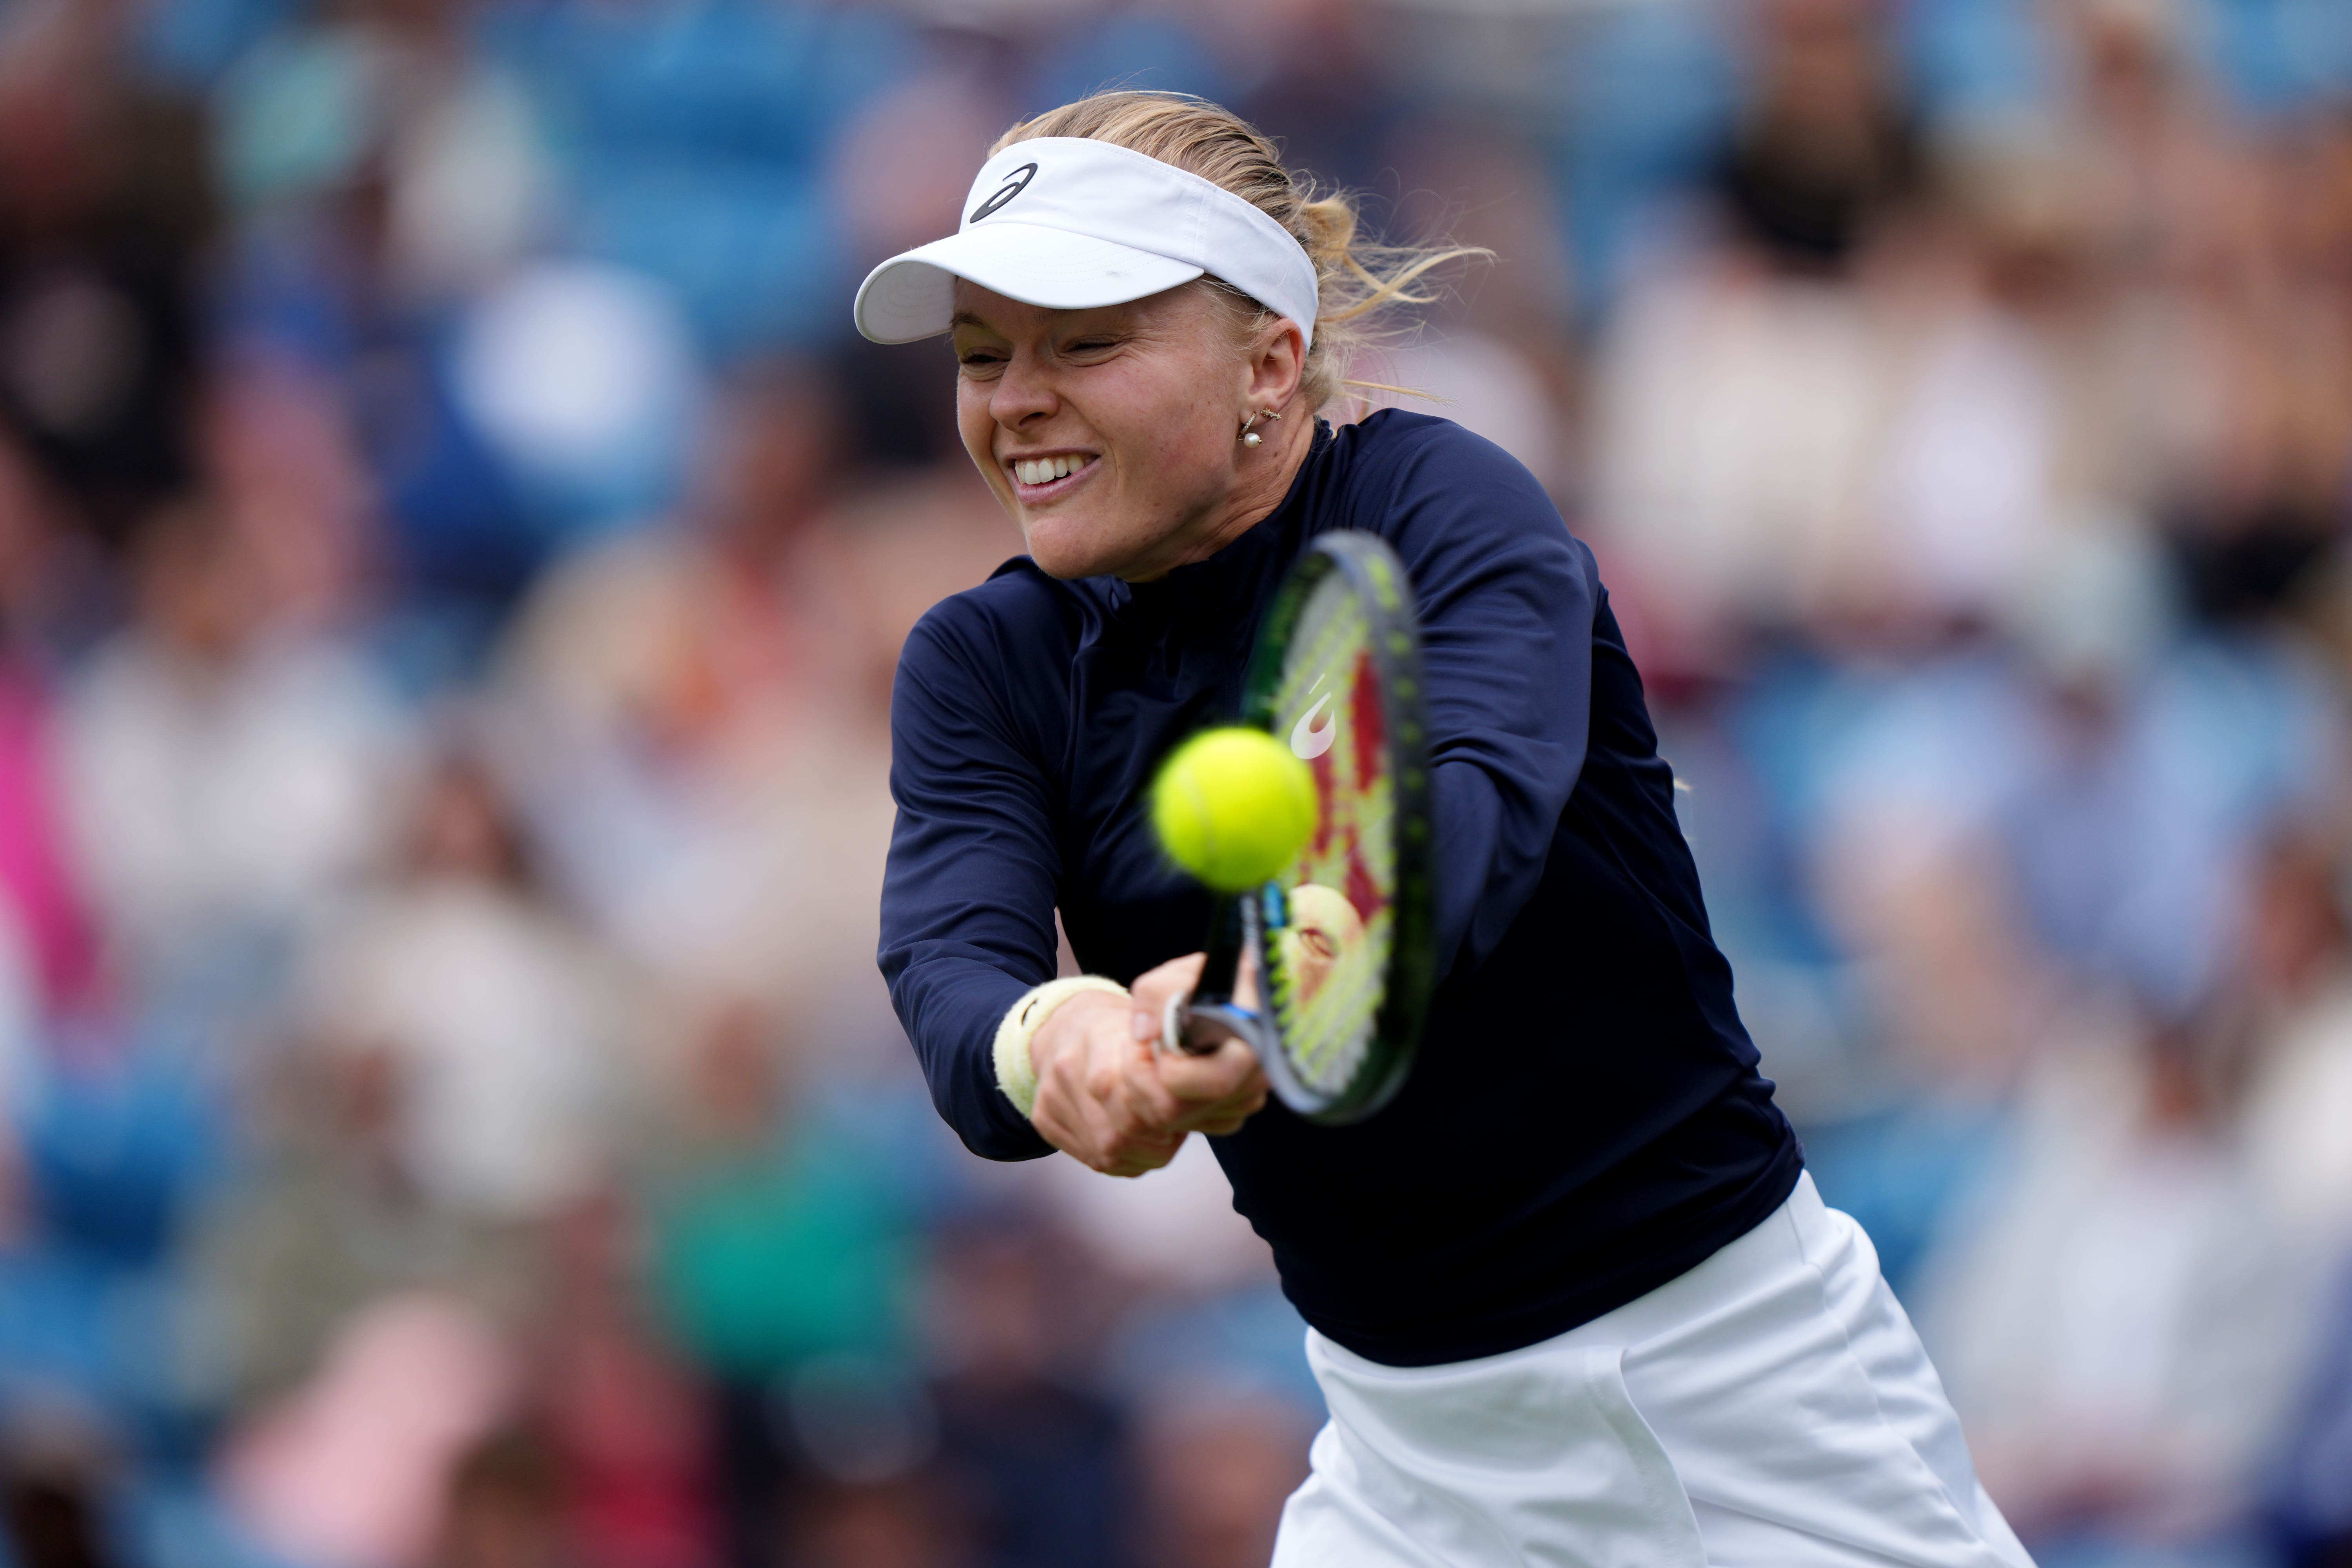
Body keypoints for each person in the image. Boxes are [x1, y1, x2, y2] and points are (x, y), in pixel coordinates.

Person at [867, 90, 2034, 1568]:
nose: (1012, 400)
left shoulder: (1440, 503)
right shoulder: (985, 662)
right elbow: (950, 969)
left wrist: (1254, 993)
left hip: (1733, 1390)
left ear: (1272, 364)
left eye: (1086, 343)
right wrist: (1060, 1046)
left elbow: (1464, 826)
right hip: (1405, 1458)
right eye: (983, 358)